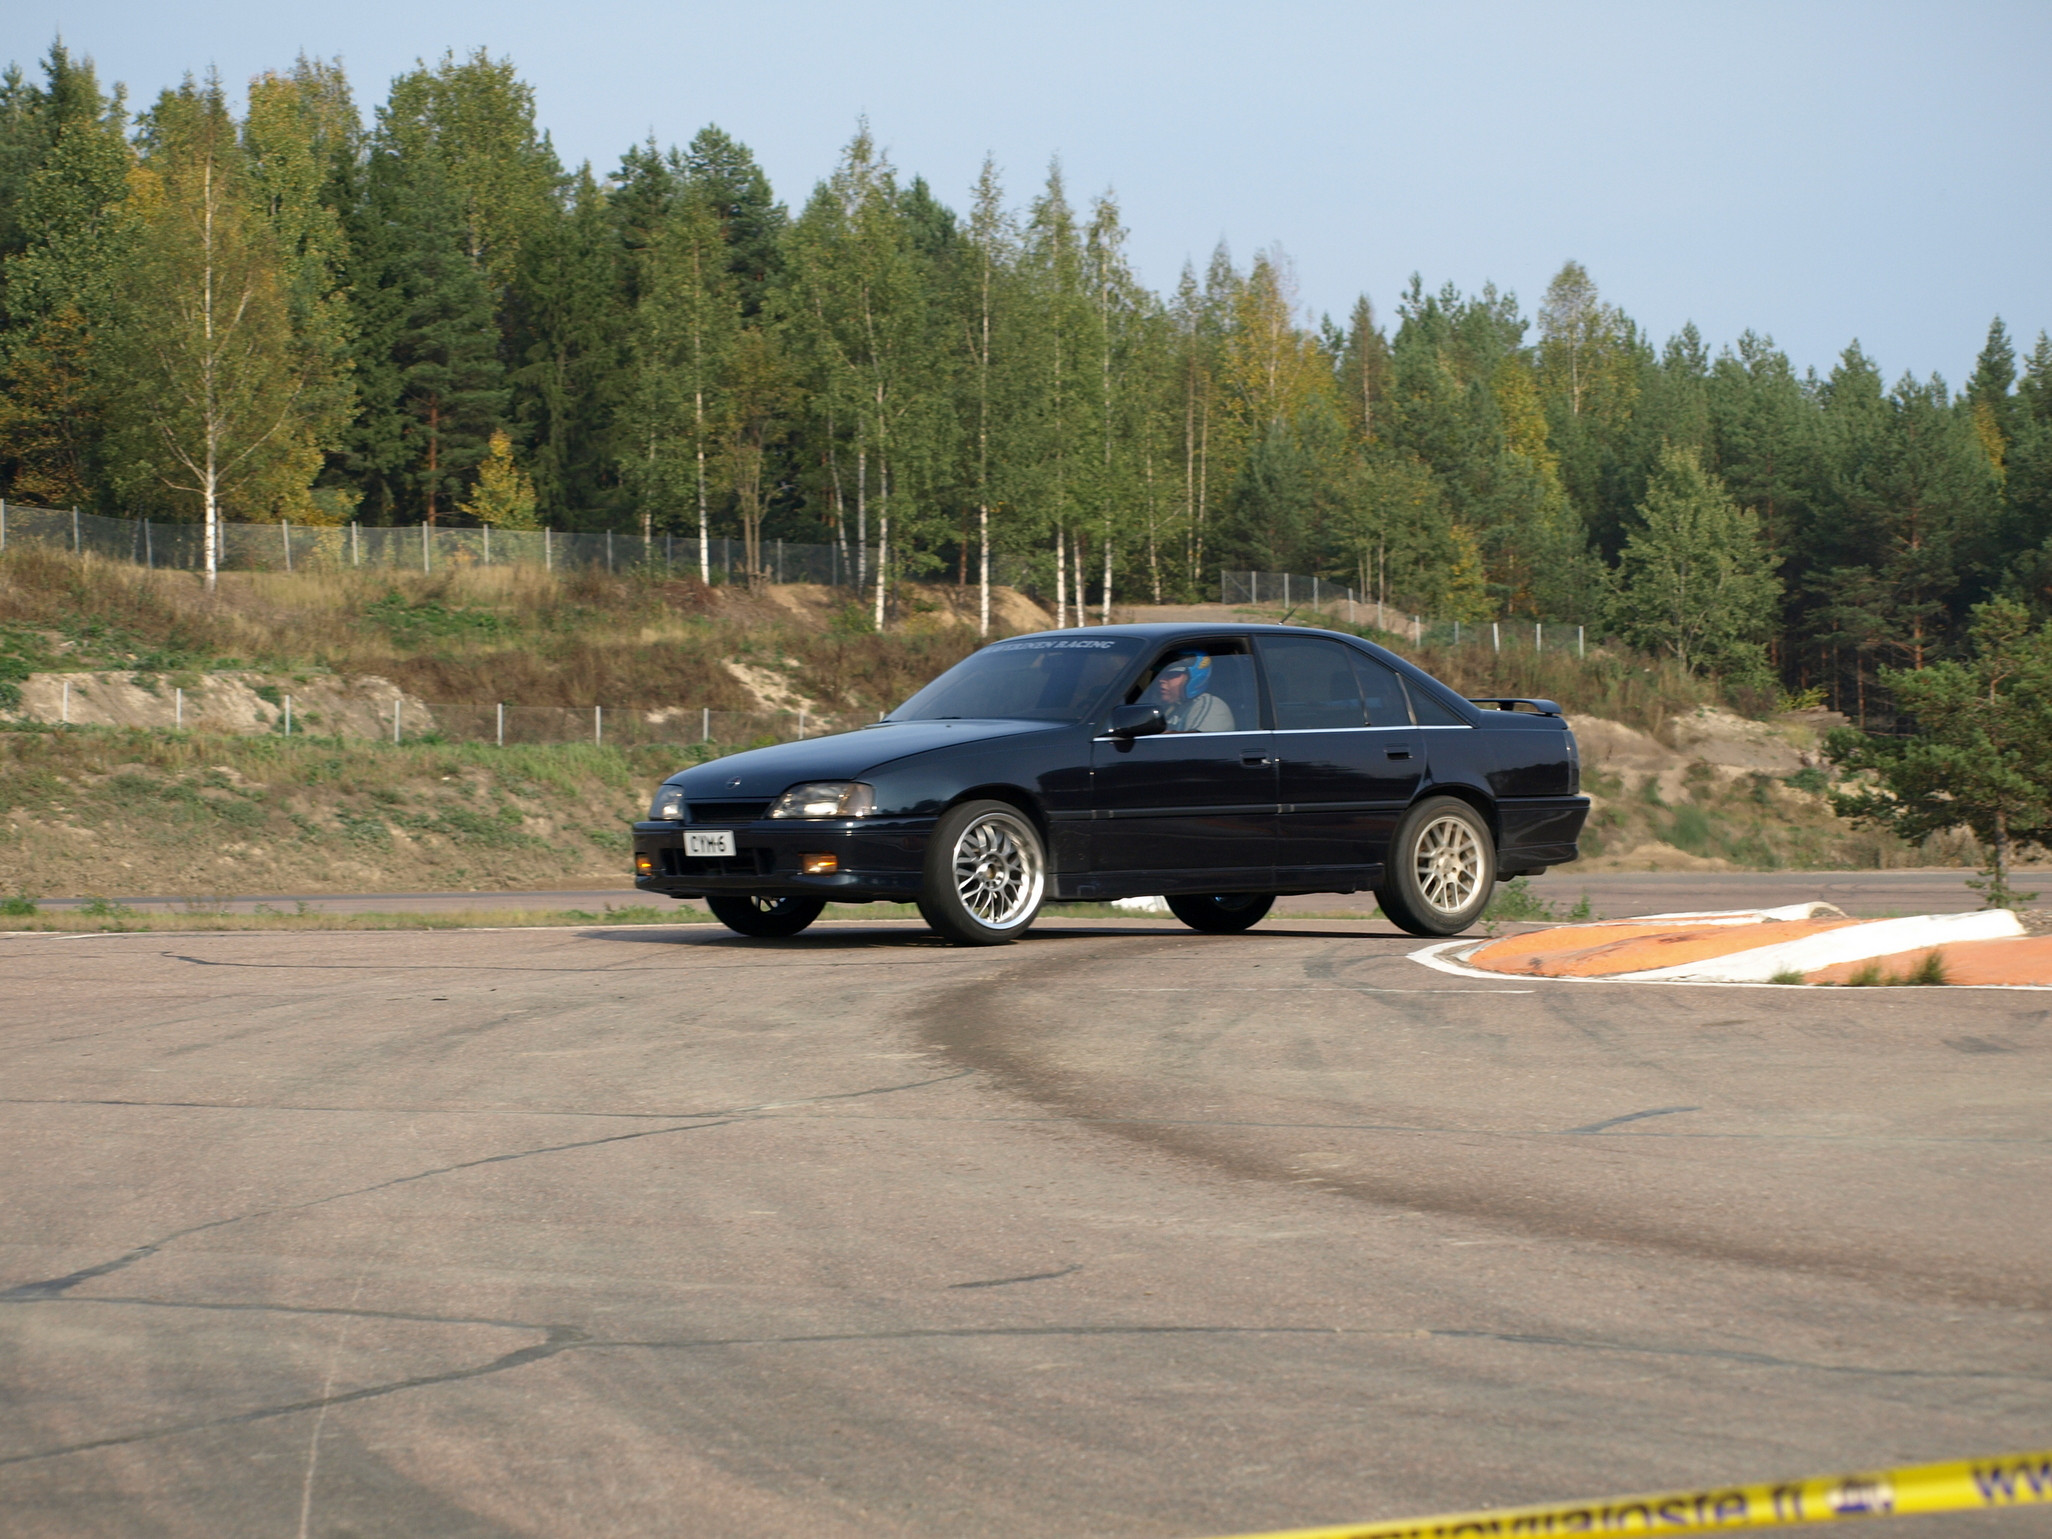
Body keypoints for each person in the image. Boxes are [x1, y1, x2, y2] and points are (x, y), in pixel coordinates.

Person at [1148, 652, 1236, 733]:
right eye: (1161, 675)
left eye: (1172, 674)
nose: (1161, 680)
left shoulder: (1211, 705)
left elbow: (1198, 742)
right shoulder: (1171, 708)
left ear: (1194, 677)